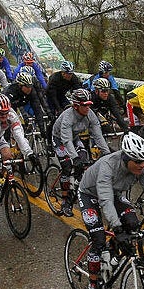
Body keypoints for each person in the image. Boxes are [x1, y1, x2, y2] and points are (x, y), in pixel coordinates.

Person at [77, 133, 144, 289]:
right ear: (125, 157)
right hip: (90, 194)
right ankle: (93, 287)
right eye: (137, 161)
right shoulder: (107, 166)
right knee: (99, 239)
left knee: (133, 224)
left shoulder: (143, 167)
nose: (142, 165)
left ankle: (110, 259)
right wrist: (117, 228)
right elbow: (105, 201)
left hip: (115, 194)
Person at [50, 89, 110, 217]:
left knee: (84, 160)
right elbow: (66, 140)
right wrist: (74, 158)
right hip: (60, 139)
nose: (88, 107)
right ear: (76, 106)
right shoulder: (68, 117)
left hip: (75, 138)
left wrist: (107, 153)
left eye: (89, 105)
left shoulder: (90, 114)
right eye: (85, 105)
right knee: (67, 166)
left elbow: (98, 136)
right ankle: (66, 201)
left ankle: (78, 184)